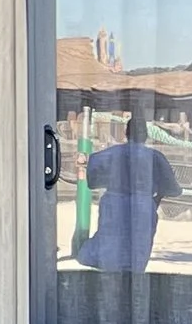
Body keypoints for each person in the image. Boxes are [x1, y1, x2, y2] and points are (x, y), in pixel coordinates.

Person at [75, 107, 180, 273]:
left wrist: (112, 182)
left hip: (115, 202)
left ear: (126, 133)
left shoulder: (111, 154)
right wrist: (154, 200)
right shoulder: (155, 157)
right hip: (142, 206)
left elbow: (92, 180)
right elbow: (172, 189)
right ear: (146, 135)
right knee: (136, 253)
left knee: (108, 248)